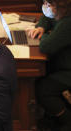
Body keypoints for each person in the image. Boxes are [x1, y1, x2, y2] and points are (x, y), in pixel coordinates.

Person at [28, 0, 71, 130]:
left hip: (68, 69)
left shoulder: (68, 23)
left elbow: (46, 46)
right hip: (63, 63)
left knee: (43, 89)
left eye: (49, 4)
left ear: (60, 7)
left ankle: (67, 120)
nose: (45, 6)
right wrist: (41, 27)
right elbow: (45, 18)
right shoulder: (61, 14)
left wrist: (44, 35)